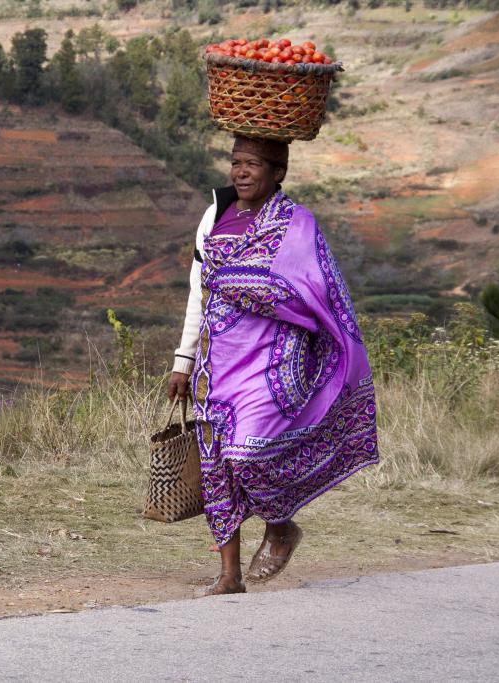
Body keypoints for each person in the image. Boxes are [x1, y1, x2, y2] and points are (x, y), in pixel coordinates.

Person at [168, 135, 379, 596]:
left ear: (278, 173)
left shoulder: (296, 225)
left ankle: (280, 526)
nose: (241, 172)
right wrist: (183, 360)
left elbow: (316, 290)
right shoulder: (213, 217)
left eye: (253, 165)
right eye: (236, 163)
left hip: (270, 362)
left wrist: (263, 290)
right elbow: (199, 292)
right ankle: (229, 575)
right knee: (217, 465)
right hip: (216, 362)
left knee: (247, 453)